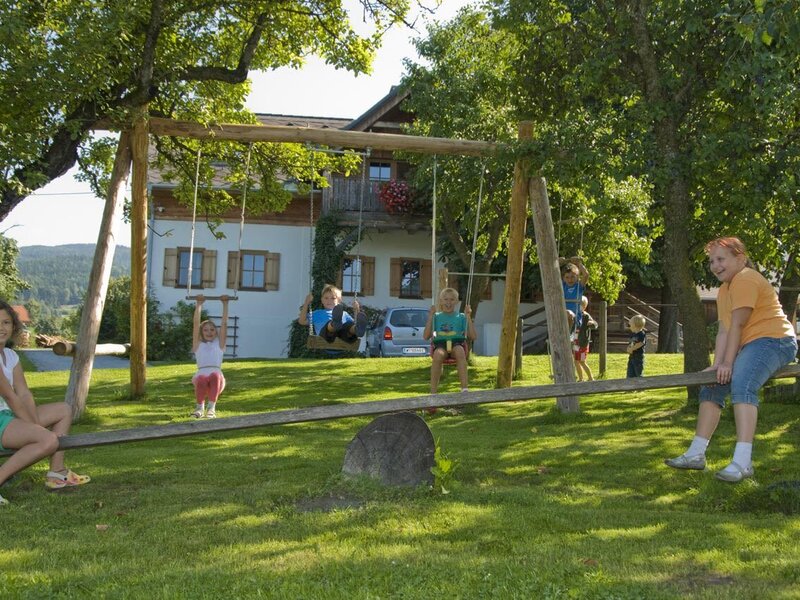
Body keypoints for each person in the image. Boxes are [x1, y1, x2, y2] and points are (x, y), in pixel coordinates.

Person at [665, 237, 797, 482]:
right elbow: (724, 331)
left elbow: (738, 325)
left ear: (740, 259)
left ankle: (743, 463)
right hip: (750, 344)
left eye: (721, 259)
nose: (715, 265)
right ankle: (695, 454)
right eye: (711, 261)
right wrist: (718, 365)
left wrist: (728, 363)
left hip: (775, 340)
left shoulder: (745, 278)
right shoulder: (725, 290)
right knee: (713, 384)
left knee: (743, 385)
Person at [0, 299, 90, 505]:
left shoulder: (10, 356)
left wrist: (33, 422)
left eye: (6, 322)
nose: (1, 328)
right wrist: (35, 428)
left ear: (13, 326)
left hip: (8, 416)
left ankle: (57, 474)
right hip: (1, 419)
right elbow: (10, 397)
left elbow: (24, 393)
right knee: (48, 440)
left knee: (63, 410)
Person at [424, 287, 477, 396]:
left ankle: (464, 389)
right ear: (441, 301)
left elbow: (473, 336)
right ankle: (433, 392)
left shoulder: (461, 317)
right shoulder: (436, 316)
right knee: (438, 354)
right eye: (446, 299)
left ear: (457, 301)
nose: (448, 302)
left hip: (457, 343)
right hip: (440, 344)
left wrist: (468, 317)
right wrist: (430, 317)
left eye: (452, 299)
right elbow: (426, 336)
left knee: (460, 351)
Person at [191, 295, 229, 419]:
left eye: (212, 330)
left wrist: (225, 304)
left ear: (216, 332)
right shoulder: (198, 345)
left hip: (216, 381)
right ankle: (199, 408)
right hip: (201, 381)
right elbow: (196, 324)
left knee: (215, 375)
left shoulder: (219, 344)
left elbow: (224, 324)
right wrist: (199, 304)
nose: (209, 332)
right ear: (201, 333)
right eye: (206, 330)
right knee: (202, 378)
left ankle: (211, 408)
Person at [298, 284, 367, 344]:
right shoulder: (317, 313)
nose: (329, 300)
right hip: (325, 339)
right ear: (322, 300)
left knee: (348, 325)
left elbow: (354, 322)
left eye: (333, 298)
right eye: (326, 298)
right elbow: (302, 321)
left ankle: (357, 330)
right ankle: (335, 323)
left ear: (339, 300)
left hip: (343, 338)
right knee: (329, 325)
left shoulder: (344, 314)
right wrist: (307, 302)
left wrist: (356, 310)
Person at [559, 256, 589, 328]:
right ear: (563, 278)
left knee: (568, 313)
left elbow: (586, 275)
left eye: (572, 277)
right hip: (562, 318)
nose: (570, 280)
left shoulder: (578, 286)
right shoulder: (563, 286)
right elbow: (553, 275)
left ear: (577, 277)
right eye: (567, 277)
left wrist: (579, 263)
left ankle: (568, 333)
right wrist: (557, 264)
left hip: (575, 318)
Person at [573, 296, 598, 381]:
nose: (578, 306)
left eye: (580, 305)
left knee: (582, 361)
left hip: (583, 343)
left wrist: (591, 323)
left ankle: (591, 378)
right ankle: (581, 378)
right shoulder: (574, 314)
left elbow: (595, 325)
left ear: (584, 306)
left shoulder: (586, 316)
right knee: (576, 361)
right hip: (575, 343)